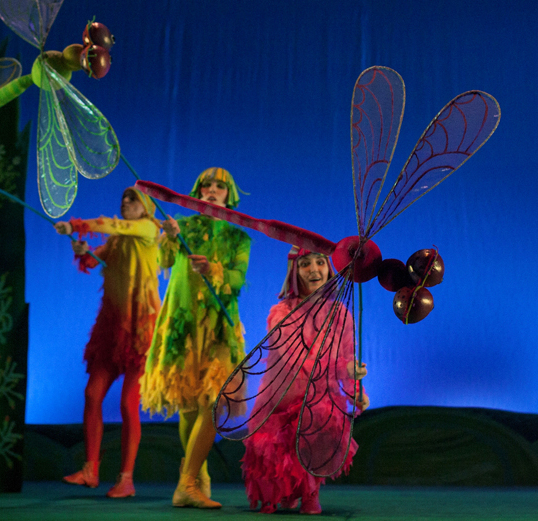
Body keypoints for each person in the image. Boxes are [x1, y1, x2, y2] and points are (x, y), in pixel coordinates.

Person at [140, 167, 251, 509]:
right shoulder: (184, 226)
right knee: (189, 407)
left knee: (214, 402)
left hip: (219, 326)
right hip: (184, 323)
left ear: (229, 194)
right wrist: (170, 237)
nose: (212, 190)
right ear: (197, 191)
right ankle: (195, 477)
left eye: (220, 186)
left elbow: (237, 279)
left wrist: (213, 270)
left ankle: (186, 482)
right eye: (207, 185)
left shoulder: (239, 237)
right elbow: (163, 260)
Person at [241, 247, 369, 514]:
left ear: (329, 269)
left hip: (320, 396)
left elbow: (348, 355)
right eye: (305, 264)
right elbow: (297, 359)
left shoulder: (340, 314)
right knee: (277, 452)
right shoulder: (281, 314)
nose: (314, 270)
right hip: (282, 397)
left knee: (321, 419)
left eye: (320, 262)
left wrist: (357, 388)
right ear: (294, 272)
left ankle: (310, 493)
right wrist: (343, 369)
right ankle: (284, 493)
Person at [55, 187, 161, 498]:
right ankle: (90, 469)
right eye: (123, 198)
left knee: (128, 403)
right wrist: (82, 250)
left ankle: (126, 479)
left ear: (146, 207)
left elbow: (111, 224)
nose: (125, 202)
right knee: (92, 394)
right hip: (111, 330)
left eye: (133, 199)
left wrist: (76, 225)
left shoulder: (148, 229)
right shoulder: (117, 240)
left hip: (141, 331)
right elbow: (92, 260)